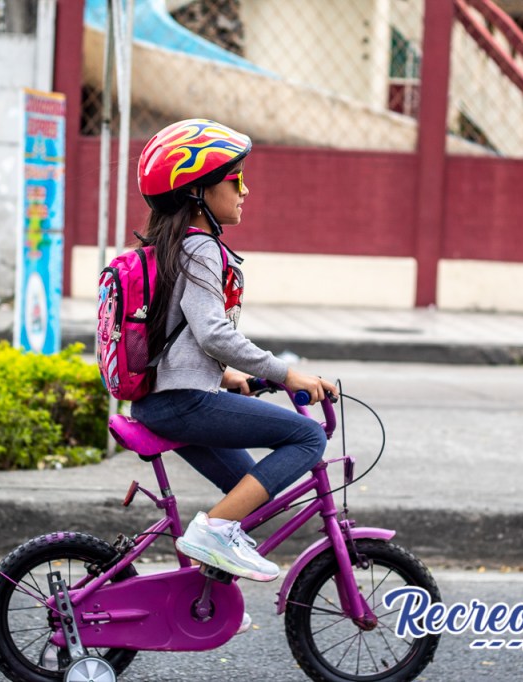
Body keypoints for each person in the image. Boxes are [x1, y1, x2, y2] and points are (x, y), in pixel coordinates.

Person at [130, 119, 337, 586]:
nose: (246, 189)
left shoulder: (174, 246)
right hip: (183, 404)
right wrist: (287, 375)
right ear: (198, 191)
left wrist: (225, 377)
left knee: (252, 493)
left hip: (164, 400)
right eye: (236, 179)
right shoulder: (202, 248)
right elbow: (214, 335)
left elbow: (176, 334)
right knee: (307, 439)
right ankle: (214, 532)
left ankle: (207, 600)